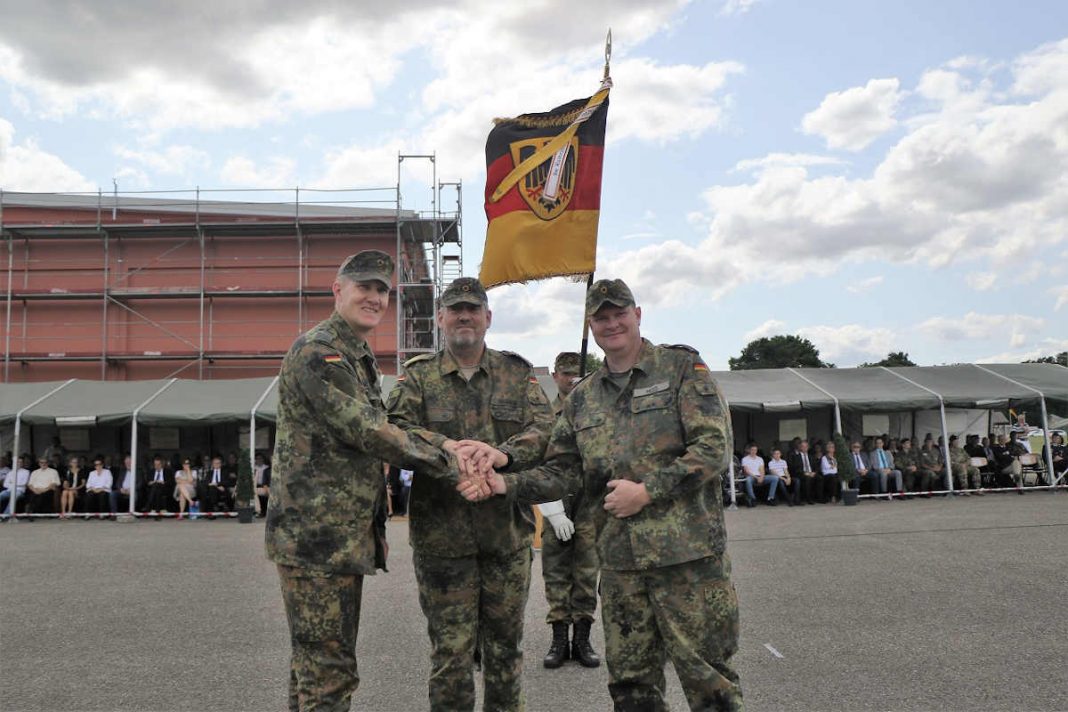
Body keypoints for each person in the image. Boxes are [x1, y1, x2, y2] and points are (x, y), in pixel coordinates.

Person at [459, 278, 744, 711]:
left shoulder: (681, 368)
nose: (611, 324)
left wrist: (647, 492)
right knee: (631, 687)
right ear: (590, 325)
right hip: (620, 567)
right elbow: (562, 471)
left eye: (619, 314)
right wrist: (506, 483)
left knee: (710, 684)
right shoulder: (583, 398)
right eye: (601, 317)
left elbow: (714, 447)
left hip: (688, 562)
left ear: (638, 314)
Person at [265, 250, 459, 712]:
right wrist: (450, 460)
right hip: (316, 540)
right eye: (363, 287)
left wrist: (447, 444)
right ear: (337, 291)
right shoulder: (318, 353)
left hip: (335, 538)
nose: (374, 298)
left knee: (313, 667)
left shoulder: (355, 352)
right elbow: (368, 430)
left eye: (382, 291)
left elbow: (381, 421)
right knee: (329, 674)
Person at [385, 276, 553, 712]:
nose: (465, 316)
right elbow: (394, 432)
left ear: (488, 318)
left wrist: (501, 455)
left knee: (505, 650)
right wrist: (449, 454)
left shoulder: (517, 374)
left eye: (473, 309)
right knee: (451, 653)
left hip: (506, 538)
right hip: (443, 542)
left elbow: (547, 430)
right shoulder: (418, 377)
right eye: (455, 309)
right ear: (440, 318)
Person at [539, 351, 601, 670]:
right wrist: (552, 512)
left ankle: (583, 639)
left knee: (587, 572)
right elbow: (536, 463)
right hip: (556, 502)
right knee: (556, 572)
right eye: (565, 374)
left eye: (577, 375)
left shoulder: (595, 411)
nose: (570, 379)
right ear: (554, 376)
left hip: (589, 503)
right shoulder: (543, 415)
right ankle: (559, 639)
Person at [786, 440, 817, 505]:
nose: (804, 448)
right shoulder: (796, 456)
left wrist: (814, 472)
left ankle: (820, 498)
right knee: (808, 479)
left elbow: (816, 467)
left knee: (820, 478)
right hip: (801, 474)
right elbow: (796, 468)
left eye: (806, 446)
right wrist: (805, 473)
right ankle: (809, 499)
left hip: (811, 473)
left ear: (808, 447)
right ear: (800, 447)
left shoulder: (811, 456)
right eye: (803, 446)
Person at [254, 453, 271, 518]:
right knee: (256, 492)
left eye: (260, 458)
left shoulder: (266, 468)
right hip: (258, 485)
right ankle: (260, 511)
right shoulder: (254, 467)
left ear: (263, 459)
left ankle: (265, 511)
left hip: (264, 485)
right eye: (257, 459)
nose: (259, 460)